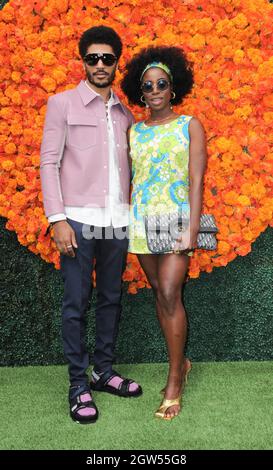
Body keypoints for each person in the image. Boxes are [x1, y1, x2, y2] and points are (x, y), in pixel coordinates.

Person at [40, 26, 142, 425]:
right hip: (78, 221)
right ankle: (77, 384)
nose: (100, 65)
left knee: (112, 299)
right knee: (76, 303)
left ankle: (103, 371)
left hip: (116, 222)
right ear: (82, 61)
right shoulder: (62, 104)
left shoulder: (125, 113)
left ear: (117, 61)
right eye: (92, 58)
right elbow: (49, 162)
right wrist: (58, 219)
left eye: (107, 58)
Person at [121, 46, 207, 420]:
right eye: (148, 85)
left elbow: (197, 178)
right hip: (142, 221)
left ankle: (174, 379)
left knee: (171, 291)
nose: (155, 90)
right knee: (159, 292)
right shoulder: (134, 131)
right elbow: (132, 178)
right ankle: (182, 362)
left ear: (173, 88)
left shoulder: (190, 124)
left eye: (162, 84)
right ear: (141, 92)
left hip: (176, 219)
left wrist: (191, 228)